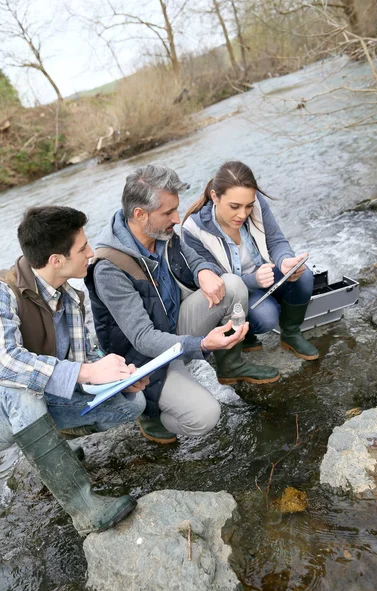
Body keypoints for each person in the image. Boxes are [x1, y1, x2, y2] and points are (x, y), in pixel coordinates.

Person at [86, 165, 280, 446]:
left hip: (174, 328)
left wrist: (203, 270)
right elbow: (142, 338)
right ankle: (150, 413)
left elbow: (193, 257)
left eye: (176, 210)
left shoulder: (160, 232)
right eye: (168, 213)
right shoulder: (109, 269)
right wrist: (201, 345)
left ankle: (231, 365)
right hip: (144, 362)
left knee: (231, 284)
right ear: (140, 214)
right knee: (205, 417)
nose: (177, 219)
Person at [0, 206, 149, 536]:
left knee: (131, 403)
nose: (91, 253)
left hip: (41, 405)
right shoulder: (3, 292)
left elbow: (86, 356)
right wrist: (86, 372)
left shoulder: (72, 297)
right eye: (82, 248)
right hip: (6, 411)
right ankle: (84, 509)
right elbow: (7, 361)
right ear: (56, 260)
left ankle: (54, 446)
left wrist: (117, 374)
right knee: (18, 386)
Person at [181, 160, 319, 372]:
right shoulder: (193, 230)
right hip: (234, 291)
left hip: (263, 276)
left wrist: (284, 261)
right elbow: (217, 284)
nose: (243, 214)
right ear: (215, 197)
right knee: (266, 317)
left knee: (304, 275)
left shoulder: (255, 202)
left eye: (248, 206)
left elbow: (276, 240)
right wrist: (252, 281)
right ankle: (244, 335)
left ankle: (291, 333)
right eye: (234, 207)